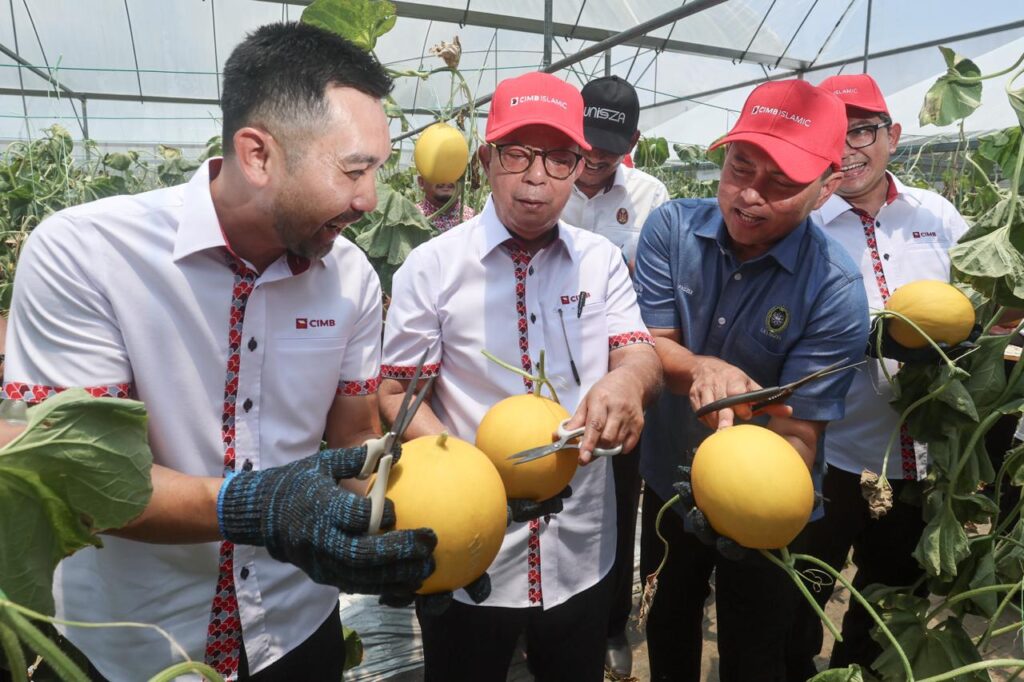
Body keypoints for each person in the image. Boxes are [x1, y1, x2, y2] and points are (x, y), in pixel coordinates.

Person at [2, 23, 438, 681]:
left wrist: (441, 509)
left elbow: (354, 438)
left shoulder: (349, 277)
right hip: (137, 649)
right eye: (353, 170)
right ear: (258, 154)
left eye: (377, 170)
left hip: (297, 631)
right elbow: (81, 481)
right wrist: (256, 506)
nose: (368, 200)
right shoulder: (86, 256)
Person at [378, 71, 663, 681]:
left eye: (560, 159)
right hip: (469, 546)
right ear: (485, 160)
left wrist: (626, 384)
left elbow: (637, 351)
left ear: (579, 163)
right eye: (518, 155)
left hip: (580, 547)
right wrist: (459, 474)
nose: (538, 177)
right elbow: (398, 389)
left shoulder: (601, 260)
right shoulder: (432, 267)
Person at [634, 79, 870, 682]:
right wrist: (703, 368)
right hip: (669, 479)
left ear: (827, 188)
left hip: (766, 503)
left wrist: (755, 511)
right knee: (668, 620)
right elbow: (648, 348)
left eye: (782, 185)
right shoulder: (670, 231)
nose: (748, 196)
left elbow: (800, 433)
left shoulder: (836, 291)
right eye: (740, 166)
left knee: (754, 648)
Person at [789, 72, 972, 675]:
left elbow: (982, 303)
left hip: (919, 457)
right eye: (835, 134)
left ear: (891, 135)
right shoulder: (804, 226)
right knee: (800, 590)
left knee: (891, 597)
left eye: (862, 130)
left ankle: (854, 670)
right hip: (830, 448)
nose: (849, 147)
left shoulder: (937, 214)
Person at [559, 74, 669, 677]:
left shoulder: (650, 198)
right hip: (547, 376)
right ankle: (534, 616)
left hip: (625, 379)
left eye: (611, 141)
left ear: (631, 139)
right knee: (537, 494)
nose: (595, 154)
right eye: (587, 137)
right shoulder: (544, 184)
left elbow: (657, 296)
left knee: (618, 504)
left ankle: (608, 625)